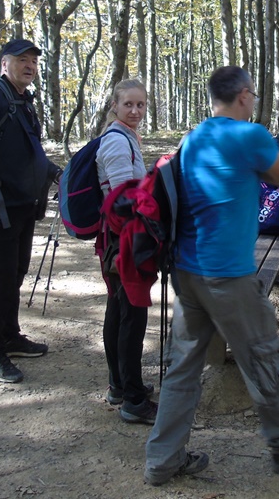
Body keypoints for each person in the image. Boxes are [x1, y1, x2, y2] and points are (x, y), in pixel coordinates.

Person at [144, 66, 279, 486]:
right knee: (262, 354)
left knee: (183, 366)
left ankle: (162, 459)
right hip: (228, 273)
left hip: (187, 271)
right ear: (244, 95)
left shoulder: (194, 137)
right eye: (253, 95)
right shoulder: (250, 137)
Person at [0, 39, 60, 384]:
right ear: (4, 63)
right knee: (1, 276)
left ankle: (9, 335)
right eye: (21, 59)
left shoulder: (23, 101)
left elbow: (31, 154)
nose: (29, 65)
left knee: (15, 273)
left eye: (33, 60)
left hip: (23, 204)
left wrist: (56, 174)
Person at [94, 80, 158, 424]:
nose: (135, 110)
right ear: (115, 106)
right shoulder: (118, 142)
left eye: (141, 105)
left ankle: (119, 385)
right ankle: (133, 400)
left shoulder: (125, 136)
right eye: (129, 104)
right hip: (125, 239)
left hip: (119, 238)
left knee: (118, 309)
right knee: (132, 316)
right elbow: (123, 199)